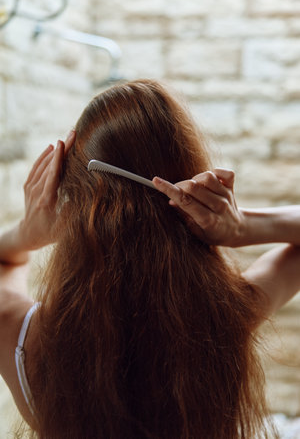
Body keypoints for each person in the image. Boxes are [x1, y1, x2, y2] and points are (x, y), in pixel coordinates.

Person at [0, 79, 298, 438]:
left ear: (75, 198)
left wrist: (25, 234)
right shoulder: (229, 313)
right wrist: (242, 228)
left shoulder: (20, 339)